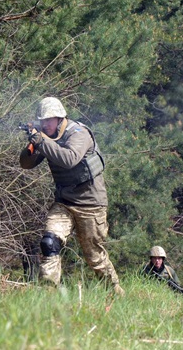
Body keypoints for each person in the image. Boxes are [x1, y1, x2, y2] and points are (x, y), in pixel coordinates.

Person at [19, 97, 124, 296]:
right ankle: (48, 293)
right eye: (43, 121)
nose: (46, 124)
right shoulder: (46, 136)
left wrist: (41, 140)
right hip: (64, 202)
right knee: (49, 242)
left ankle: (114, 291)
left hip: (90, 203)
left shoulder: (79, 133)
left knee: (94, 256)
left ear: (60, 118)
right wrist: (32, 143)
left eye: (50, 120)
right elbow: (26, 164)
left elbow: (69, 159)